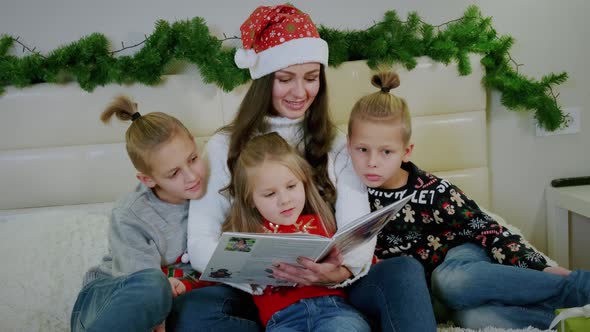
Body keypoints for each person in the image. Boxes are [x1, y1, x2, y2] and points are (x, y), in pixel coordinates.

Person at [185, 4, 435, 332]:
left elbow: (356, 224)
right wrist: (258, 277)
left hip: (331, 287)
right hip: (258, 289)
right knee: (191, 311)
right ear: (262, 81)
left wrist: (342, 272)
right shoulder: (222, 147)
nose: (300, 92)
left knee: (403, 270)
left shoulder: (335, 141)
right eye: (285, 79)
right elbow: (200, 242)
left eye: (311, 78)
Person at [346, 71, 590, 330]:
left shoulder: (434, 191)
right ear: (348, 145)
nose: (372, 161)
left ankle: (577, 288)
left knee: (449, 281)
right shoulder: (346, 195)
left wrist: (540, 268)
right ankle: (571, 322)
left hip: (457, 261)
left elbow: (488, 229)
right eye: (362, 149)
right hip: (424, 293)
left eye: (386, 151)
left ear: (406, 152)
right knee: (474, 319)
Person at [70, 96, 215, 332]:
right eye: (174, 173)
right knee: (154, 286)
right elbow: (146, 288)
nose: (192, 176)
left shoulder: (216, 190)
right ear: (148, 179)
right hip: (110, 300)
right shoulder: (131, 214)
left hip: (178, 300)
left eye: (193, 159)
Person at [222, 132, 370, 331]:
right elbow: (219, 271)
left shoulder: (322, 221)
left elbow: (354, 258)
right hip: (282, 321)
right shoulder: (245, 237)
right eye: (270, 194)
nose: (284, 200)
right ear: (251, 200)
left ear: (304, 182)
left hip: (334, 311)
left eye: (291, 186)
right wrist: (186, 285)